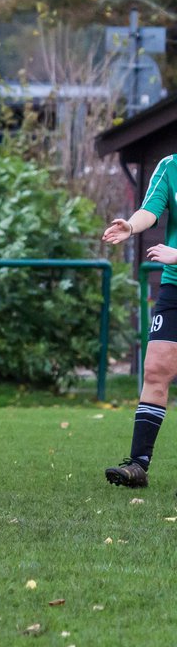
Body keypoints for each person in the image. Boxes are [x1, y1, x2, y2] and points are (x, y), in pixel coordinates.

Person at [103, 159, 177, 488]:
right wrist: (131, 227)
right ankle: (138, 465)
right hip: (174, 285)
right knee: (156, 368)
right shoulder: (170, 166)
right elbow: (150, 209)